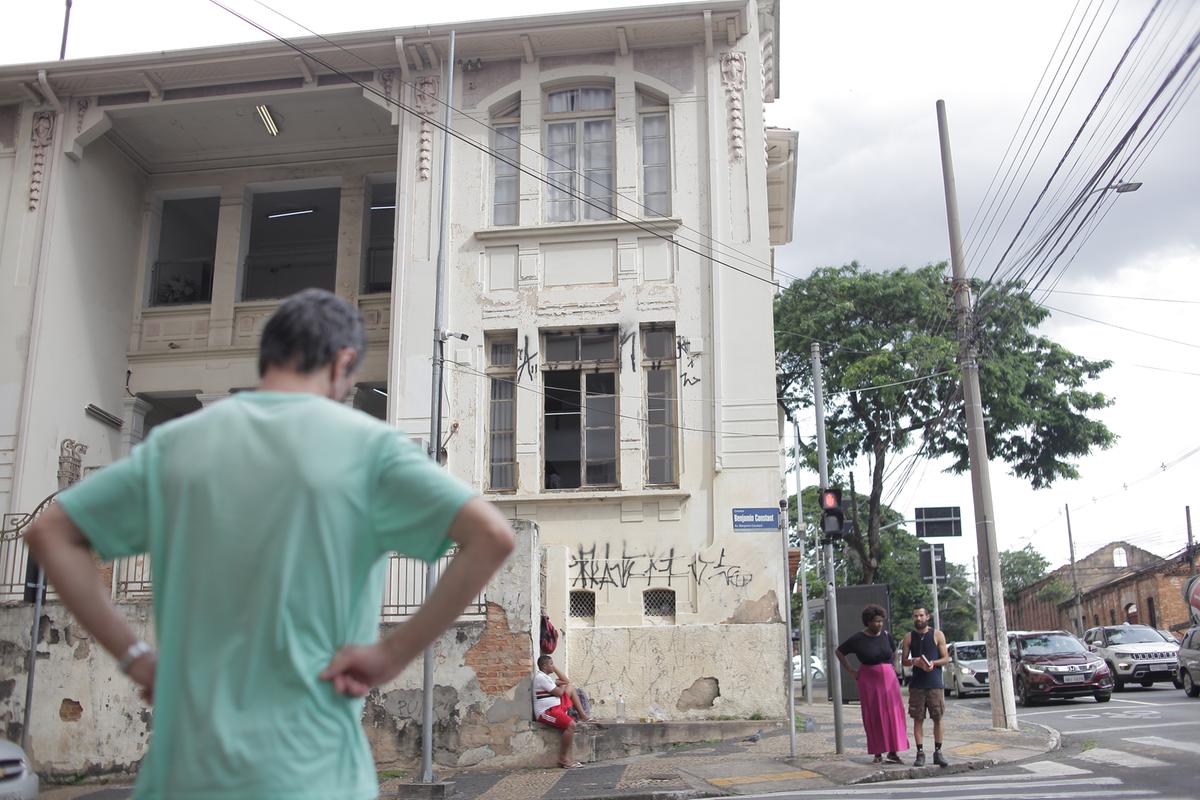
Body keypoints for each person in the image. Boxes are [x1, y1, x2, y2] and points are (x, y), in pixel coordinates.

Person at [25, 289, 516, 799]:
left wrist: (136, 657)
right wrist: (391, 654)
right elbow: (491, 535)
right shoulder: (368, 449)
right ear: (342, 361)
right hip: (313, 773)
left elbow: (50, 532)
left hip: (184, 775)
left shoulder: (178, 446)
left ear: (269, 357)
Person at [835, 604, 909, 764]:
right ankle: (877, 752)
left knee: (893, 714)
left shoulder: (886, 635)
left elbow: (894, 651)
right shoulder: (858, 638)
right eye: (875, 621)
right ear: (868, 622)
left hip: (889, 680)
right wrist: (851, 671)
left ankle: (893, 751)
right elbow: (839, 651)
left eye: (881, 621)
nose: (879, 624)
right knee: (875, 715)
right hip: (869, 681)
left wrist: (893, 666)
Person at [900, 606, 950, 767]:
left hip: (934, 683)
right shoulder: (908, 637)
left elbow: (945, 658)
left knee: (938, 717)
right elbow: (904, 661)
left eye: (921, 615)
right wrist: (916, 661)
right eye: (916, 616)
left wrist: (933, 663)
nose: (918, 618)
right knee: (917, 719)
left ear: (927, 617)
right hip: (917, 684)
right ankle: (920, 752)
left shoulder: (937, 634)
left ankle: (938, 751)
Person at [534, 655, 587, 768]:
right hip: (546, 712)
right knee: (571, 725)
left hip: (556, 706)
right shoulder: (540, 677)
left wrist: (556, 671)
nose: (553, 666)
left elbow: (566, 681)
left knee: (570, 688)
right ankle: (564, 759)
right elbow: (559, 693)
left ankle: (583, 716)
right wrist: (561, 685)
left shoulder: (547, 677)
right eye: (551, 664)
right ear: (544, 666)